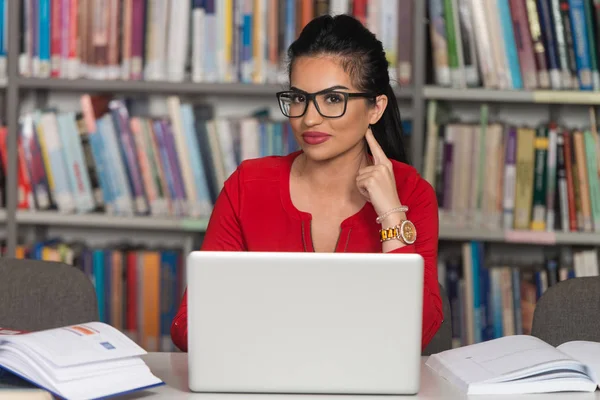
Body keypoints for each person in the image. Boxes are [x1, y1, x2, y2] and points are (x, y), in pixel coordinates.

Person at [171, 14, 442, 352]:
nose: (309, 118)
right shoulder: (248, 186)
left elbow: (418, 334)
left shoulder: (412, 193)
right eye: (299, 98)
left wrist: (391, 216)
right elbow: (188, 328)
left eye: (333, 99)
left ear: (375, 108)